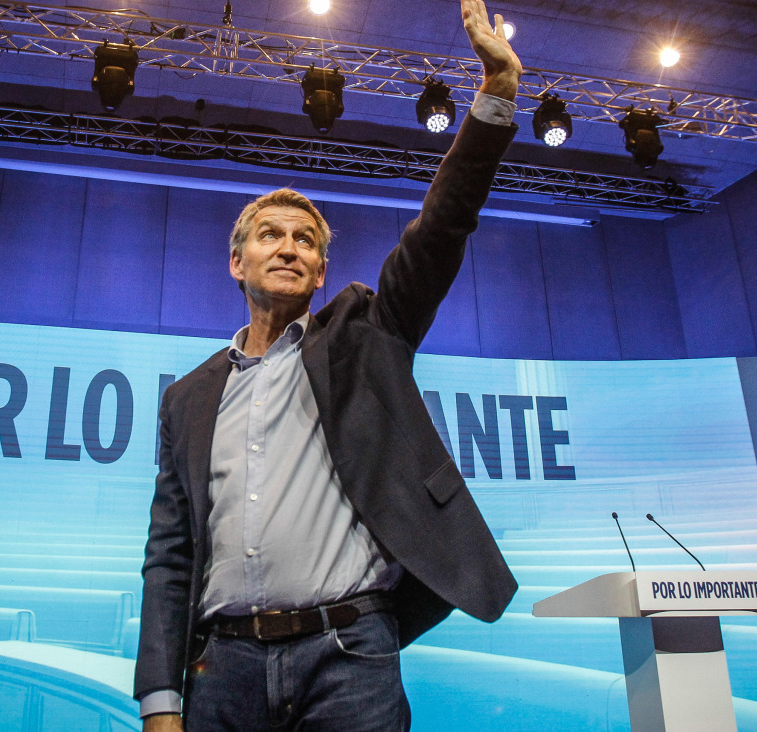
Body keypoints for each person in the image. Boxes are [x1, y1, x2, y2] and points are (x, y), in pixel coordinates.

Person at [134, 1, 521, 729]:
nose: (289, 247)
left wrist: (496, 94)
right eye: (271, 235)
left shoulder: (363, 336)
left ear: (319, 273)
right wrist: (160, 700)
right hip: (221, 668)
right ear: (235, 262)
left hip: (352, 657)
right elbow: (170, 555)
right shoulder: (186, 400)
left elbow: (440, 230)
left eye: (306, 241)